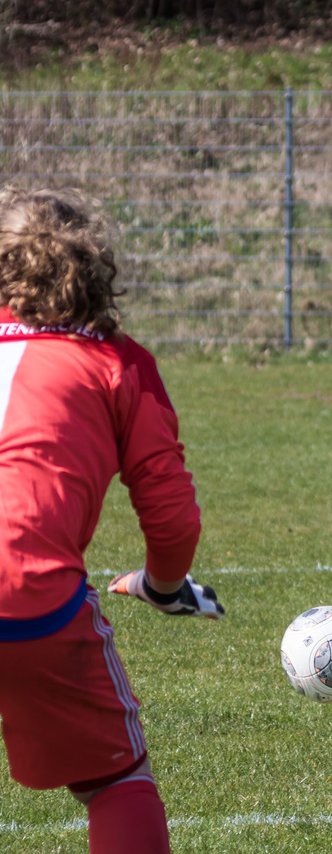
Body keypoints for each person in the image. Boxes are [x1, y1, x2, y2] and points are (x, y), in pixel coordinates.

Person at [0, 186, 224, 853]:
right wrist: (162, 586)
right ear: (97, 268)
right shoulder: (117, 365)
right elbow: (173, 518)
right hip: (27, 593)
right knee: (116, 780)